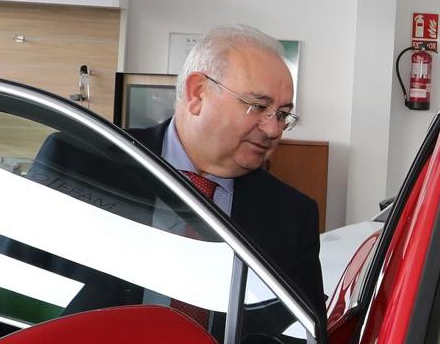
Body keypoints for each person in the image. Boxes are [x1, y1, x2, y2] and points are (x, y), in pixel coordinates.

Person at [128, 24, 325, 314]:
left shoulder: (293, 218)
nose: (273, 130)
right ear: (198, 94)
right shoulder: (83, 162)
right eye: (257, 106)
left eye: (282, 115)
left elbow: (295, 343)